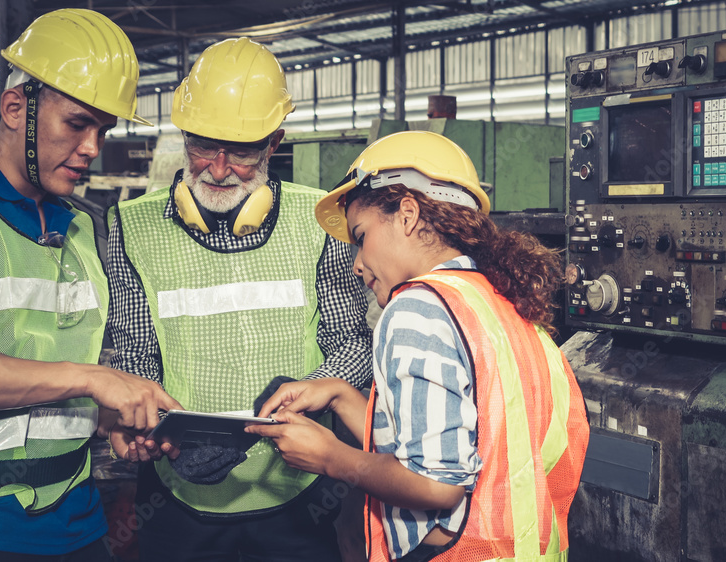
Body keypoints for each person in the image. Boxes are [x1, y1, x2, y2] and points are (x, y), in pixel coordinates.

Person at [0, 9, 182, 561]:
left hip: (79, 521)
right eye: (77, 124)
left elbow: (47, 360)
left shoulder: (84, 226)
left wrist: (112, 419)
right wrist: (93, 379)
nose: (92, 147)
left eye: (103, 130)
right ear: (15, 108)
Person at [249, 130, 590, 561]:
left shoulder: (416, 308)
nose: (355, 264)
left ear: (407, 214)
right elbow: (442, 438)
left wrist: (332, 457)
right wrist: (339, 396)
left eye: (360, 236)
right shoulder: (500, 303)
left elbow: (436, 485)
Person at [104, 37, 372, 562]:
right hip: (176, 498)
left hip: (297, 491)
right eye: (203, 145)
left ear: (275, 143)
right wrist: (152, 429)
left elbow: (350, 344)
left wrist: (313, 389)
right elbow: (134, 356)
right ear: (183, 133)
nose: (219, 168)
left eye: (243, 152)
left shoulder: (320, 221)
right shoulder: (131, 227)